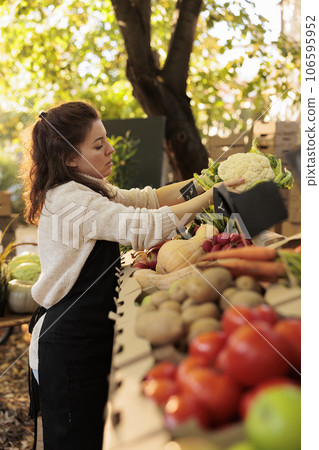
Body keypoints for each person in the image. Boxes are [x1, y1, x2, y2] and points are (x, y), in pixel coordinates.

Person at [22, 101, 242, 450]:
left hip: (86, 335)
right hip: (67, 343)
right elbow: (144, 227)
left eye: (105, 139)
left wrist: (204, 182)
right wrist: (212, 197)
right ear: (69, 157)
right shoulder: (70, 200)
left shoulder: (88, 186)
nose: (110, 150)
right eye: (98, 145)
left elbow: (148, 200)